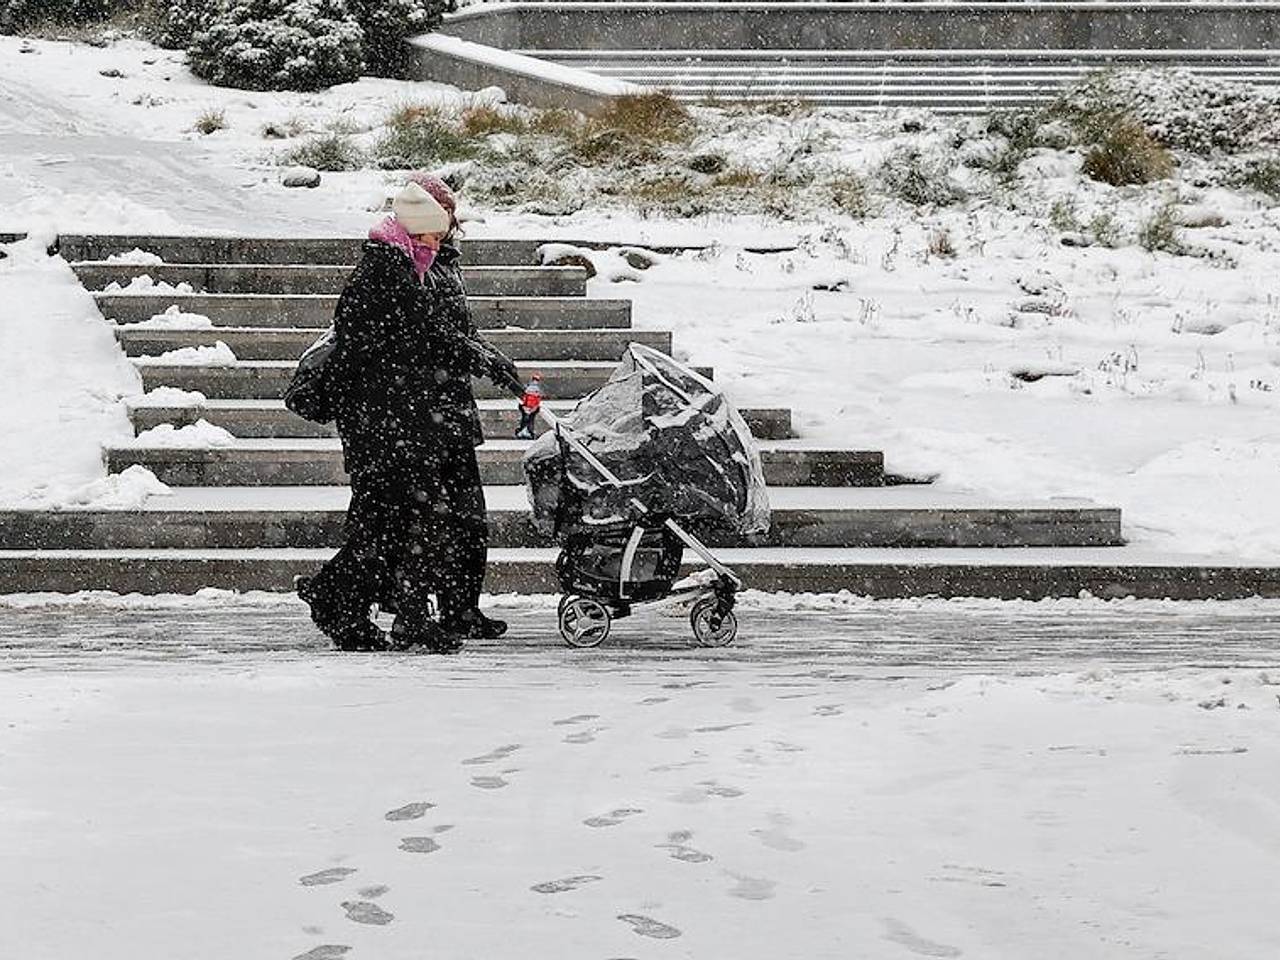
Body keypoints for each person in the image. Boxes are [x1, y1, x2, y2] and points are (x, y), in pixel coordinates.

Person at [297, 173, 524, 653]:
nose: (436, 244)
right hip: (383, 422)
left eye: (440, 236)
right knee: (403, 522)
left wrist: (477, 356)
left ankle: (354, 604)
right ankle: (361, 606)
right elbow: (416, 339)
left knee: (400, 523)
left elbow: (428, 336)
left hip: (404, 418)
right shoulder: (384, 271)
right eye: (430, 235)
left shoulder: (409, 266)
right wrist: (476, 357)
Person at [514, 372, 543, 439]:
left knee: (528, 420)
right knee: (527, 420)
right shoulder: (532, 389)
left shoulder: (531, 389)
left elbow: (536, 400)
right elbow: (527, 398)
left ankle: (527, 431)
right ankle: (526, 431)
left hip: (530, 407)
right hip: (528, 407)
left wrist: (533, 407)